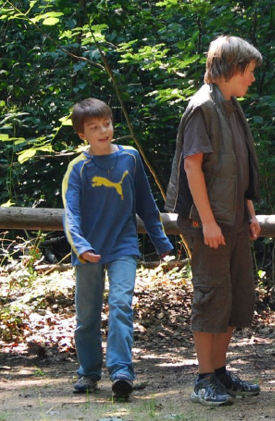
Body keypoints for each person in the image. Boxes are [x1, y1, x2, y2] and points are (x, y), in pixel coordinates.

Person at [166, 35, 264, 407]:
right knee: (210, 297)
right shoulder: (201, 107)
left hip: (234, 221)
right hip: (207, 222)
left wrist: (250, 214)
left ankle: (220, 372)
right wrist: (206, 222)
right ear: (231, 68)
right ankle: (203, 378)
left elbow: (239, 168)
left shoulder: (231, 105)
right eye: (249, 71)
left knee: (234, 299)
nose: (252, 79)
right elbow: (193, 167)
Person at [62, 98, 174, 400]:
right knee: (86, 316)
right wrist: (82, 247)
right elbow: (70, 215)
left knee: (122, 305)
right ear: (82, 134)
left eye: (107, 124)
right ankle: (88, 372)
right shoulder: (78, 169)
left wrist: (162, 243)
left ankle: (122, 369)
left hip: (124, 245)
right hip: (87, 251)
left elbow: (147, 204)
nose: (103, 131)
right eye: (94, 127)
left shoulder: (130, 158)